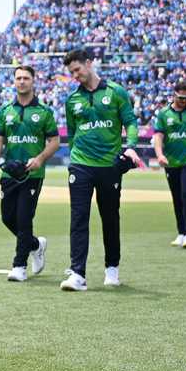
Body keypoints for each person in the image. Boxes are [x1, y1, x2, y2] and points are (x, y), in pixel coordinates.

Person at [60, 49, 143, 291]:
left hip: (109, 166)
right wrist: (75, 159)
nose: (75, 75)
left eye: (77, 69)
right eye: (71, 72)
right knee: (78, 218)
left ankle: (112, 269)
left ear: (89, 63)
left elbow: (130, 122)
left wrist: (131, 148)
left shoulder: (116, 92)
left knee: (110, 218)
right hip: (81, 164)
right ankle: (78, 273)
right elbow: (73, 134)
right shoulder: (72, 100)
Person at [0, 65, 59, 281]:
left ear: (33, 81)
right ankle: (36, 244)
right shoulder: (6, 111)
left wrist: (40, 159)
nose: (22, 81)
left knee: (24, 218)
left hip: (32, 175)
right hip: (10, 174)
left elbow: (54, 141)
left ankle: (19, 266)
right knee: (8, 218)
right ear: (14, 82)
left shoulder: (44, 112)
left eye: (26, 78)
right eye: (18, 78)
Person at [152, 80, 186, 248]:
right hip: (171, 161)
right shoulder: (163, 114)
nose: (184, 101)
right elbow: (159, 137)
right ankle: (181, 232)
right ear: (174, 94)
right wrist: (160, 155)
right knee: (177, 197)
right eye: (181, 97)